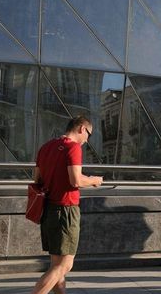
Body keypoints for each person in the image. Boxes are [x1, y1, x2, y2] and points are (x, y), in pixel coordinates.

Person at [31, 116, 103, 294]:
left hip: (48, 210)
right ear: (81, 129)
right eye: (89, 134)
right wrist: (94, 180)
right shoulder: (73, 147)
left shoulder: (45, 147)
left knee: (56, 266)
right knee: (65, 265)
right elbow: (76, 180)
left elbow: (37, 178)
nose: (87, 140)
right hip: (66, 210)